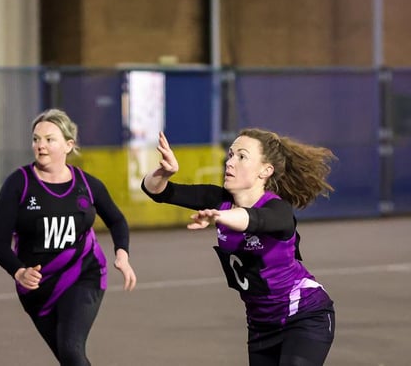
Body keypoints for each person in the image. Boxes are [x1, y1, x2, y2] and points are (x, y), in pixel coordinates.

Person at [141, 129, 336, 366]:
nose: (230, 162)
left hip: (304, 315)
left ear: (265, 170)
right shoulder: (218, 199)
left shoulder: (278, 210)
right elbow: (158, 191)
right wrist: (164, 173)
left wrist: (219, 216)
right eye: (231, 154)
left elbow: (256, 220)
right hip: (260, 326)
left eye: (241, 157)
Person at [0, 108, 137, 366]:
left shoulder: (86, 185)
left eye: (50, 139)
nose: (41, 145)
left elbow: (117, 220)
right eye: (36, 139)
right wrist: (19, 272)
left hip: (83, 274)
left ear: (68, 145)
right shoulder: (18, 184)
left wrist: (122, 256)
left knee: (71, 350)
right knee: (70, 359)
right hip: (36, 288)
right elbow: (0, 245)